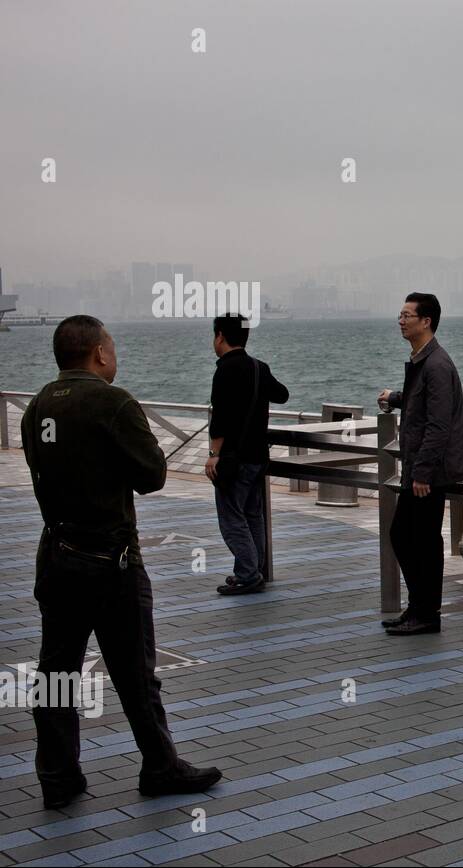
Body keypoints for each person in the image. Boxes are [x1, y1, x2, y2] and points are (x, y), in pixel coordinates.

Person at [21, 315, 222, 809]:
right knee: (135, 671)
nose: (116, 354)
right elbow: (151, 474)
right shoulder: (114, 402)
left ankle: (57, 775)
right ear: (98, 353)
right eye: (112, 346)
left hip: (56, 555)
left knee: (57, 671)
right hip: (111, 560)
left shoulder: (36, 406)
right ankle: (159, 765)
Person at [377, 293, 463, 635]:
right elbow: (423, 404)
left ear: (426, 321)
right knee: (415, 537)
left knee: (409, 536)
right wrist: (395, 399)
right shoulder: (424, 361)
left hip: (429, 472)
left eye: (407, 315)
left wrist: (422, 473)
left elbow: (438, 425)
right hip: (424, 469)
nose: (400, 321)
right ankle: (419, 609)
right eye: (400, 314)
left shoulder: (436, 364)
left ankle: (426, 612)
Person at [205, 313, 289, 595]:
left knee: (231, 518)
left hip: (233, 459)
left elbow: (220, 418)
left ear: (220, 336)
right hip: (257, 457)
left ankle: (248, 574)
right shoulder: (258, 367)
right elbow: (282, 395)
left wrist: (213, 454)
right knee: (253, 514)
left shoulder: (224, 370)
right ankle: (254, 569)